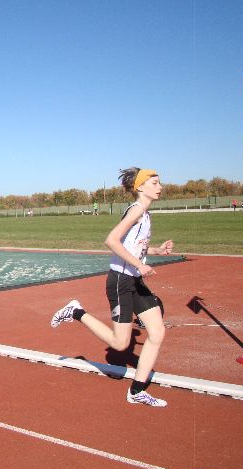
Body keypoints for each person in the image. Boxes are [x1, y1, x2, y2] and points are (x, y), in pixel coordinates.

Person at [51, 168, 174, 407]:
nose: (160, 187)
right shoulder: (136, 210)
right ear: (140, 187)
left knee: (157, 331)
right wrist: (140, 265)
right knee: (120, 344)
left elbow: (134, 247)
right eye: (155, 183)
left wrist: (157, 250)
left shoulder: (146, 214)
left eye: (160, 183)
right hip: (120, 281)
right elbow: (111, 241)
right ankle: (76, 311)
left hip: (134, 280)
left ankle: (137, 391)